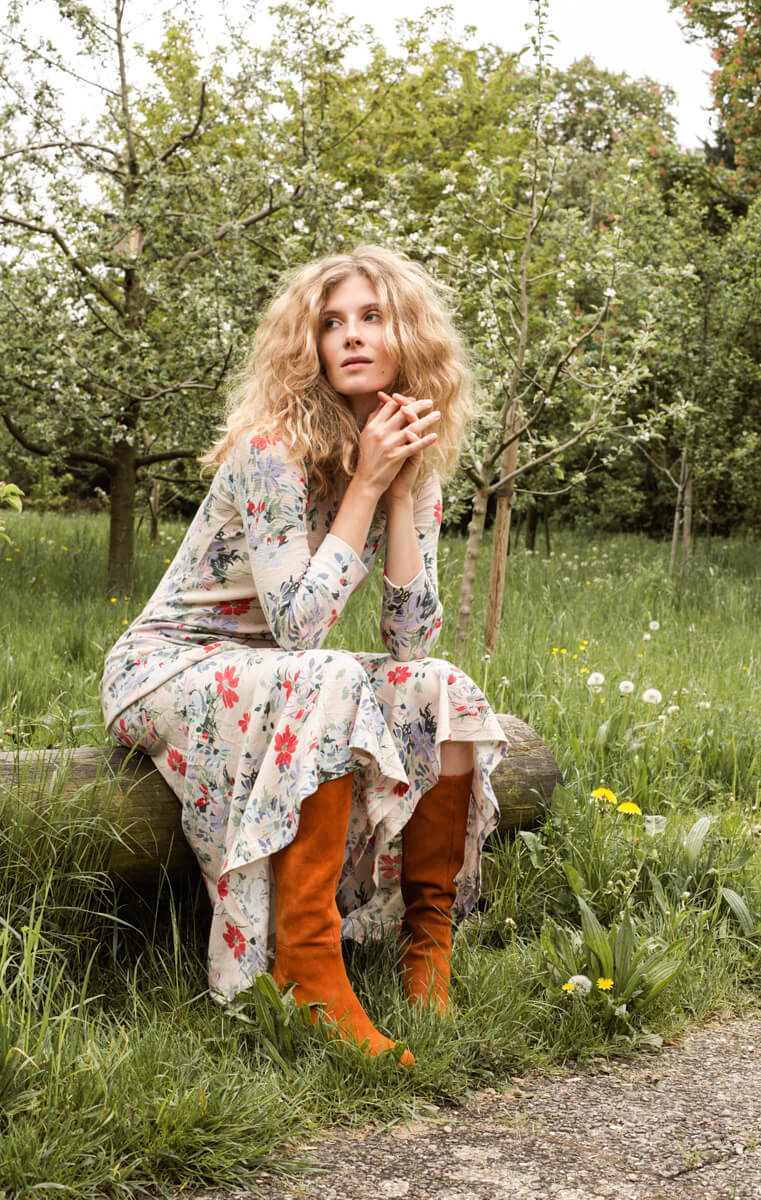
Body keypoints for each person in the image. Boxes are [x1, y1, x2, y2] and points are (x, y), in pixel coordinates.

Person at [100, 245, 507, 1065]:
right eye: (331, 323)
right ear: (311, 345)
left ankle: (426, 950)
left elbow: (411, 642)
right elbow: (298, 627)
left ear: (408, 335)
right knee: (327, 672)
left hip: (281, 677)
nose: (350, 336)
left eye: (372, 317)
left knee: (445, 689)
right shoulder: (271, 449)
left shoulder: (409, 465)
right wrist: (365, 487)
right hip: (171, 664)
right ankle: (307, 967)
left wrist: (399, 488)